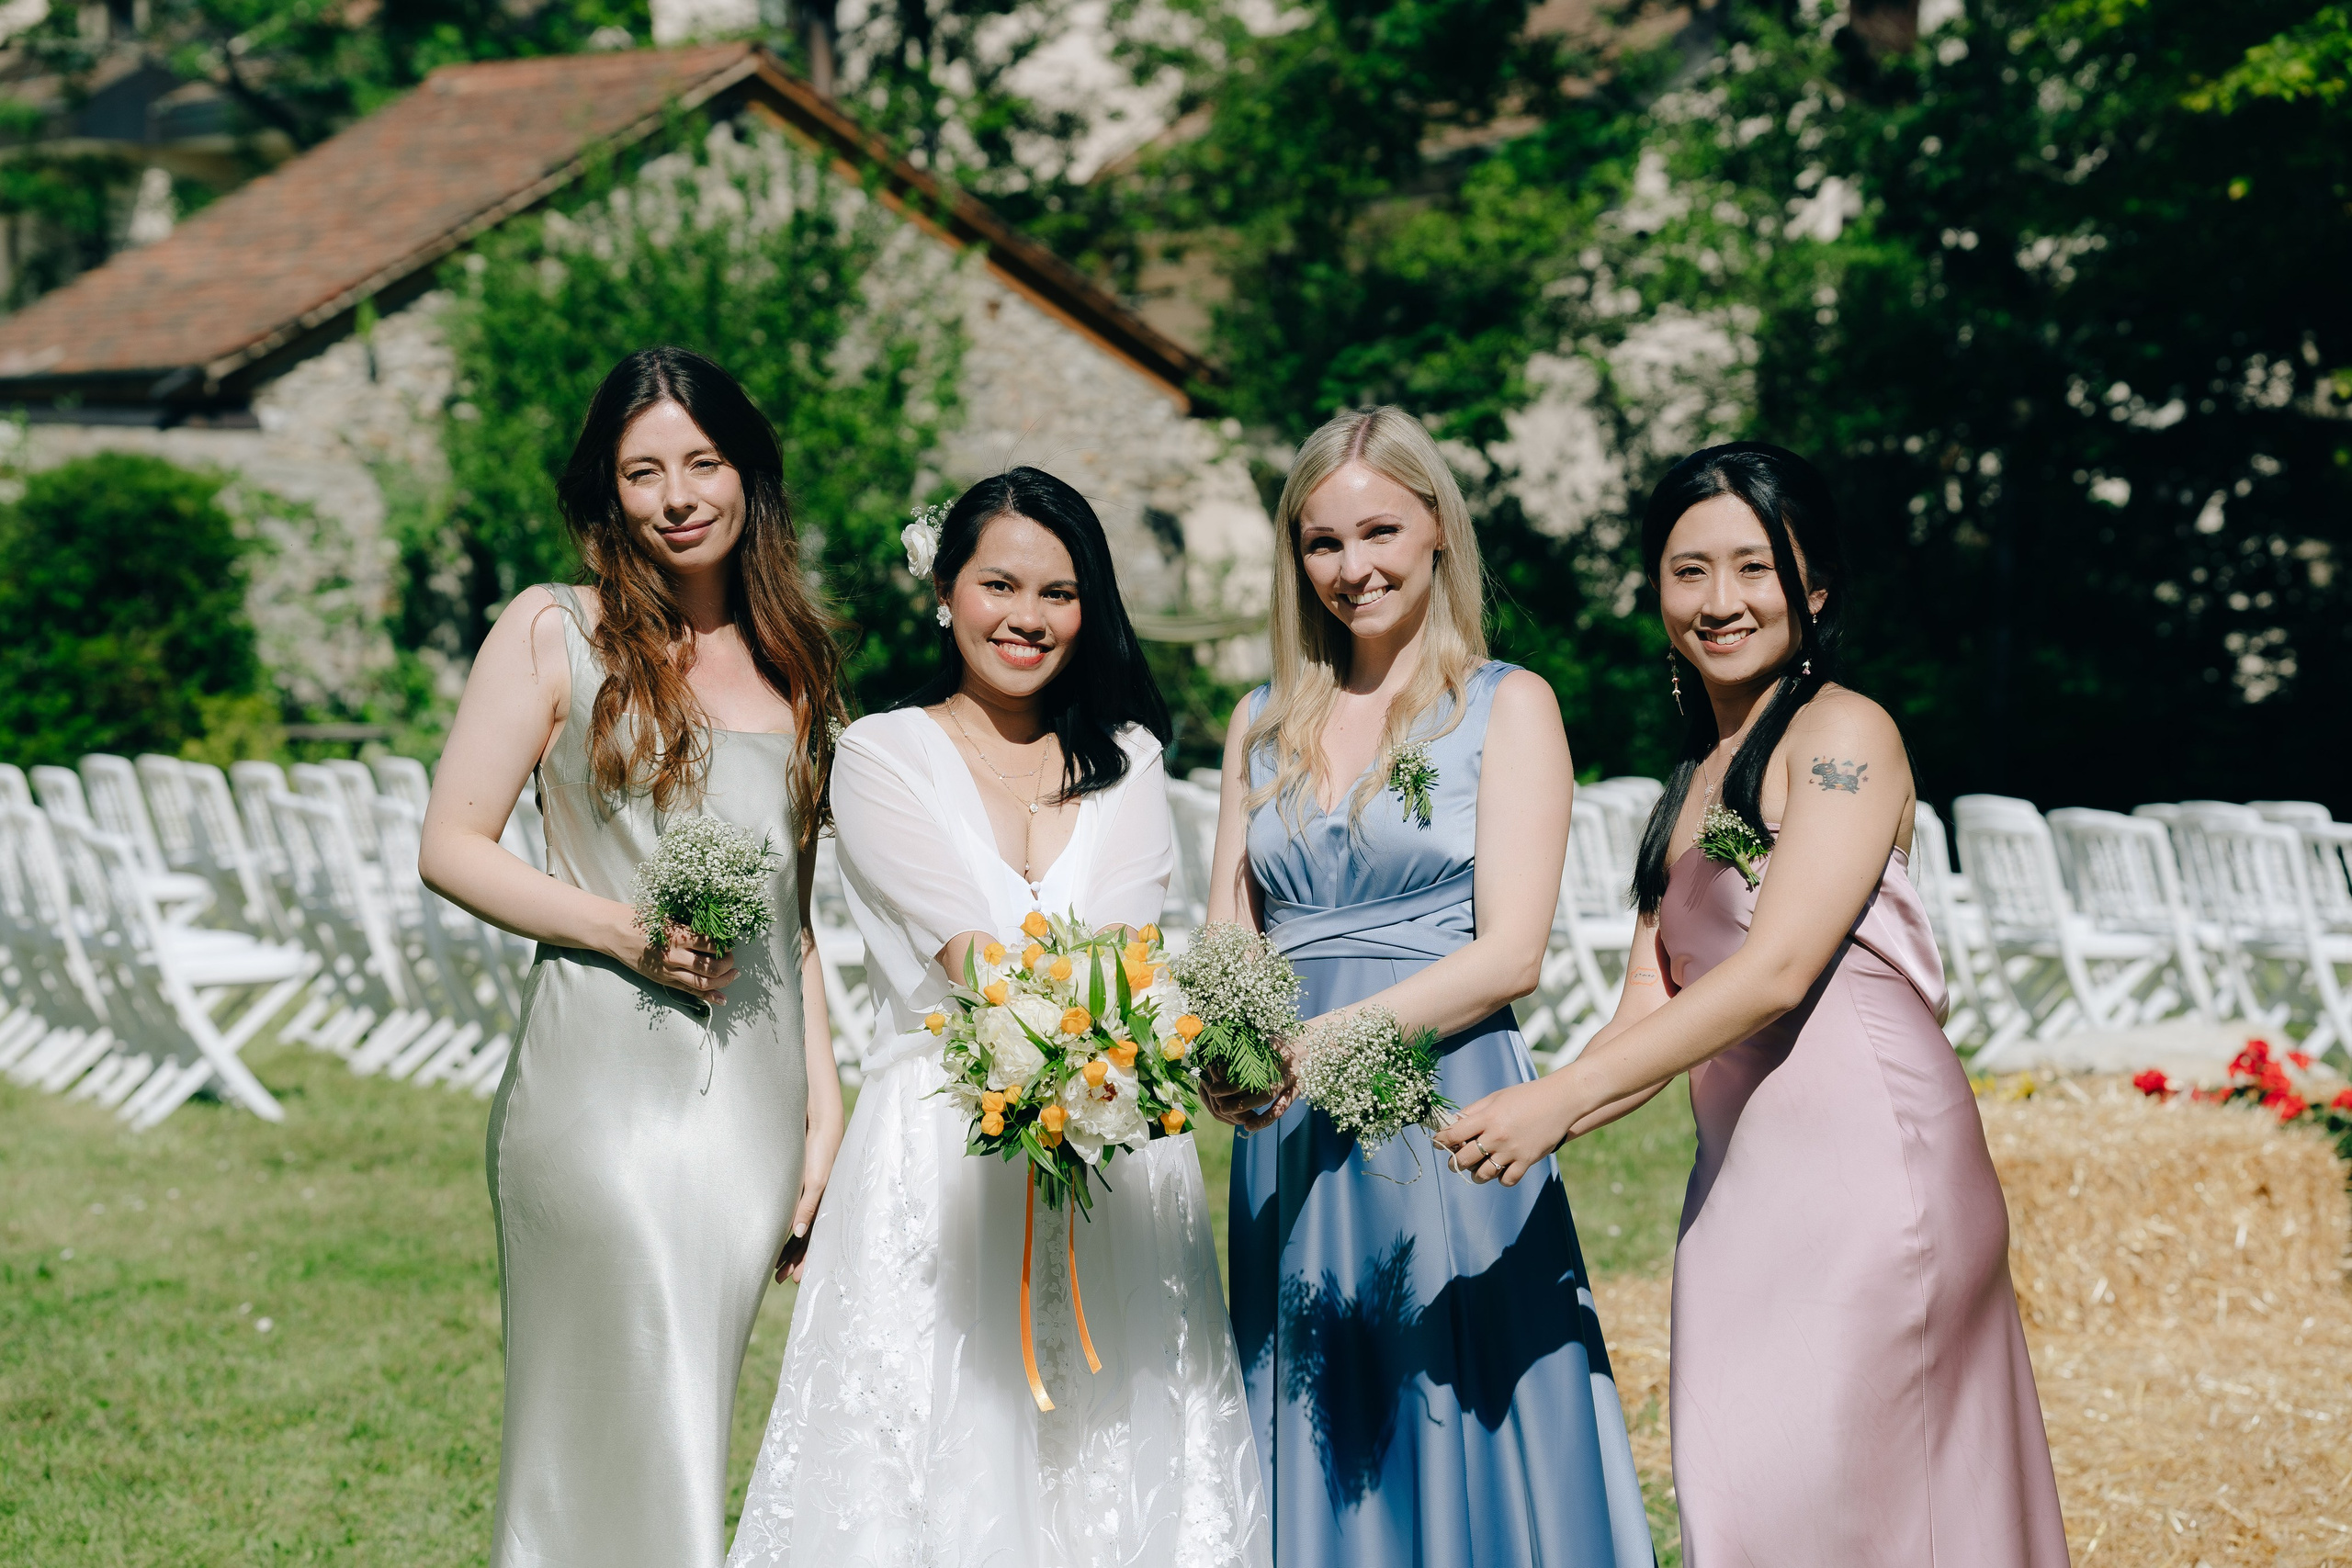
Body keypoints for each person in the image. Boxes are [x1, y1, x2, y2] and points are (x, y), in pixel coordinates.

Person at [1437, 442, 2068, 1565]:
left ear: (1812, 589)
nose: (1719, 602)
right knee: (1748, 1490)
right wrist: (1513, 1118)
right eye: (1688, 572)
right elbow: (1647, 1001)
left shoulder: (1843, 735)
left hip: (1875, 1183)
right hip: (1742, 1193)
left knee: (1855, 1493)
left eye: (1752, 569)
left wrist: (1559, 1103)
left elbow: (1776, 969)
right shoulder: (1694, 772)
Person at [729, 467, 1270, 1568]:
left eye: (1059, 593)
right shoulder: (880, 755)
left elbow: (1120, 957)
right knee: (932, 1451)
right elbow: (972, 958)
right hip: (938, 1156)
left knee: (1112, 1451)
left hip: (1114, 1149)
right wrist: (1099, 1019)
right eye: (1000, 585)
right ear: (945, 588)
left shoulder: (1130, 759)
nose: (1027, 617)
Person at [1200, 406, 1654, 1566]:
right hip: (1287, 1138)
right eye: (1322, 543)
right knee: (1310, 1406)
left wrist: (1324, 1042)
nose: (1353, 569)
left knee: (1448, 1395)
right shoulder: (1260, 723)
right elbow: (1230, 935)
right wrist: (1226, 1056)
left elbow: (1511, 953)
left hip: (1442, 1100)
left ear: (1437, 531)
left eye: (1380, 532)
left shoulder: (1510, 704)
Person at [419, 345, 847, 1567]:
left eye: (702, 462)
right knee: (623, 1411)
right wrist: (623, 929)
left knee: (696, 1405)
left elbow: (796, 919)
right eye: (643, 469)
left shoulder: (795, 662)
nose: (677, 494)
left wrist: (824, 1115)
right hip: (600, 1090)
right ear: (608, 491)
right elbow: (451, 842)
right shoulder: (553, 628)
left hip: (753, 1109)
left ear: (747, 473)